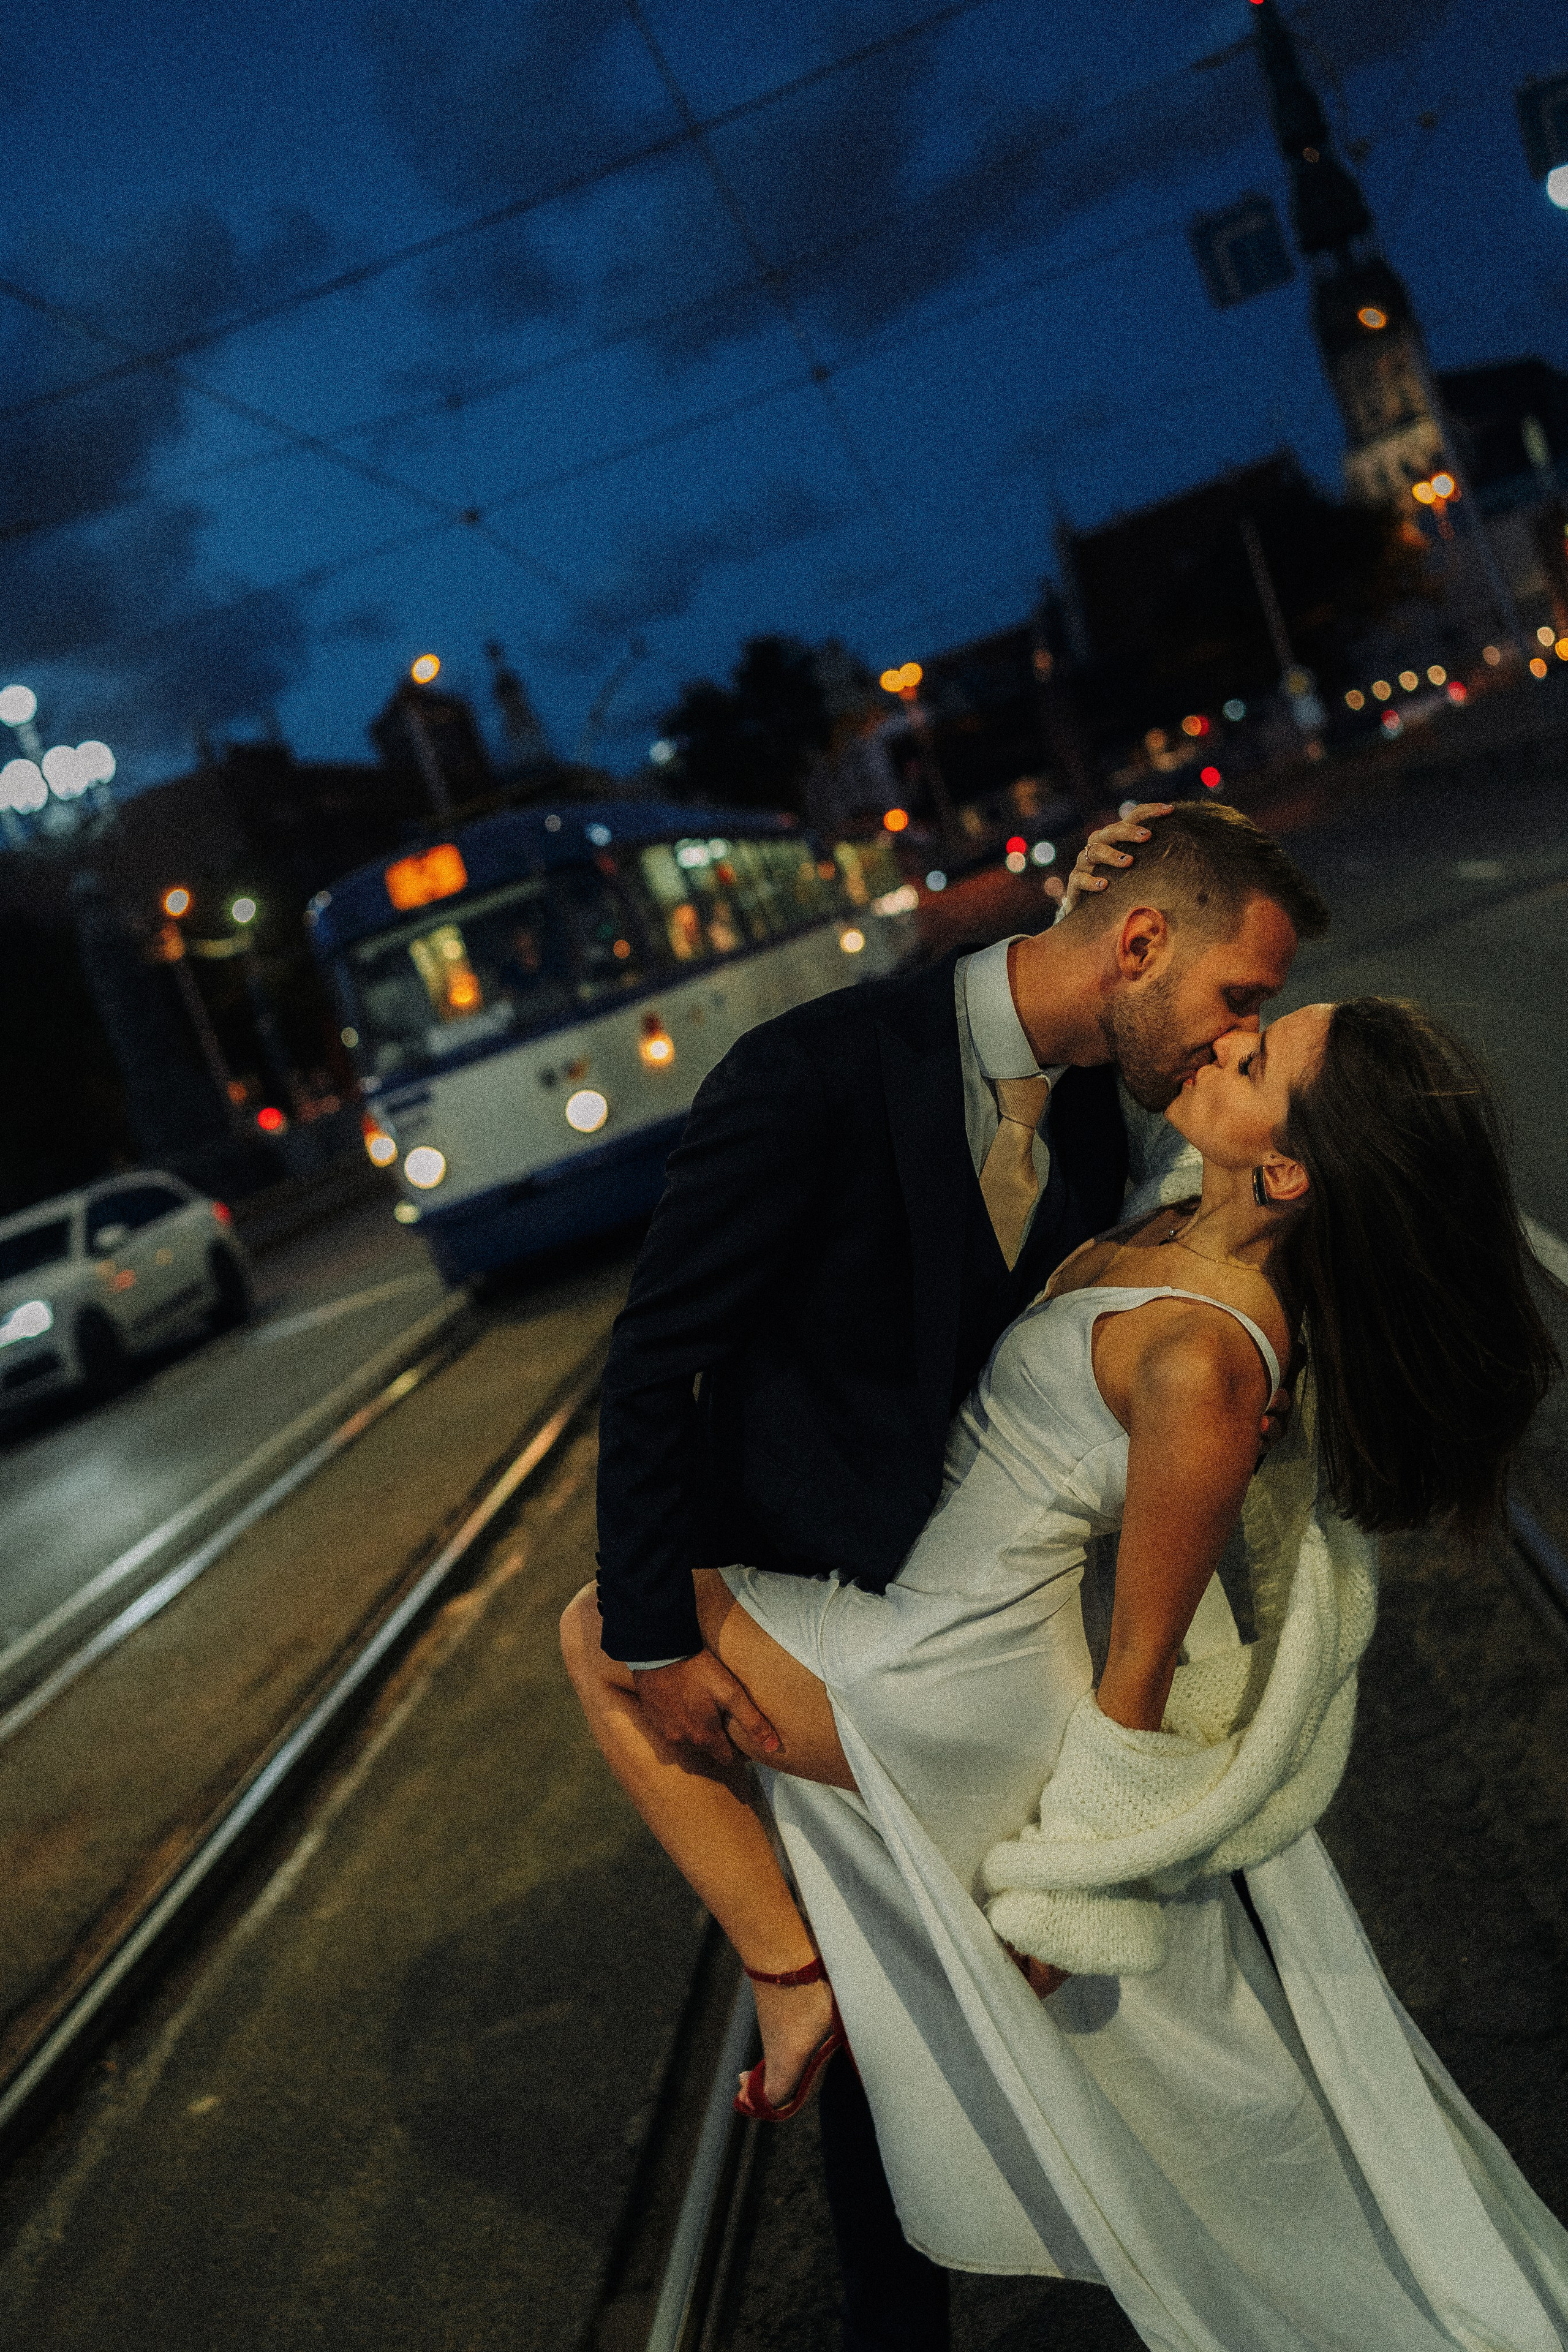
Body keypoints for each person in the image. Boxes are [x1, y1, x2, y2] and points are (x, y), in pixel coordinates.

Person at [568, 952, 1568, 2347]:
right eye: (1244, 1018)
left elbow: (1137, 1673)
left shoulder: (1209, 1367)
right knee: (1212, 2116)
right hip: (950, 1634)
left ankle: (790, 1983)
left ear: (1286, 1174)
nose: (1225, 1042)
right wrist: (1089, 913)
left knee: (609, 1631)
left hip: (948, 1681)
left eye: (1255, 1058)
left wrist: (1061, 1894)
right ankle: (803, 1983)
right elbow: (1101, 1019)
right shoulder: (1178, 1226)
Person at [579, 802, 1327, 2350]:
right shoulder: (811, 1074)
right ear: (1134, 944)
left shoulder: (1096, 1129)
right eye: (1231, 1005)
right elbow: (654, 1364)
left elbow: (1114, 1316)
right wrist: (659, 1631)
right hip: (804, 1600)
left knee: (967, 2013)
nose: (1220, 1045)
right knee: (897, 2012)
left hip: (955, 1638)